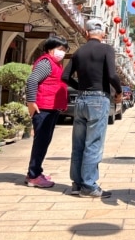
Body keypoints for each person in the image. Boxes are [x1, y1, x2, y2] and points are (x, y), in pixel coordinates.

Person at [62, 18, 122, 198]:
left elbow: (65, 77)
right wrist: (118, 92)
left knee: (78, 143)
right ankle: (89, 185)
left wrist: (79, 86)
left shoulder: (79, 52)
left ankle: (77, 183)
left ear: (86, 33)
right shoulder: (106, 49)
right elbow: (112, 75)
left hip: (81, 100)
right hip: (98, 99)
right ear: (103, 34)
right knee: (93, 143)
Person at [24, 36, 69, 188]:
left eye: (64, 50)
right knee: (41, 142)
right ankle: (34, 176)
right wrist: (31, 101)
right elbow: (32, 80)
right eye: (60, 49)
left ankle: (35, 171)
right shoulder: (46, 62)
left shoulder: (55, 64)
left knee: (43, 141)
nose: (62, 53)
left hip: (51, 107)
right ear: (50, 49)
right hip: (43, 107)